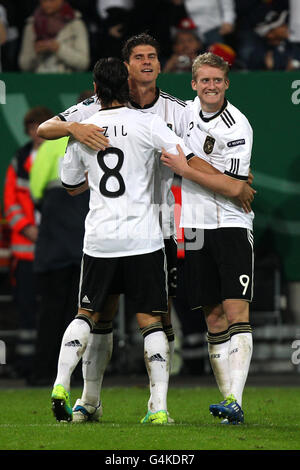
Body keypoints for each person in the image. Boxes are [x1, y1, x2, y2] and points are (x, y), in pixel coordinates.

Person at [38, 32, 189, 424]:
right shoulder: (148, 123)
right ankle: (157, 408)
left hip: (101, 238)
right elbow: (181, 158)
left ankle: (61, 382)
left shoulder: (85, 128)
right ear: (125, 80)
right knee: (152, 319)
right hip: (145, 235)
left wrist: (77, 135)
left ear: (94, 89)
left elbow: (71, 186)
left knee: (87, 313)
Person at [161, 52, 255, 425]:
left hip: (231, 225)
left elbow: (234, 189)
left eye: (218, 80)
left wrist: (186, 166)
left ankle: (236, 398)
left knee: (236, 313)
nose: (211, 86)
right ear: (194, 83)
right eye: (205, 80)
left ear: (227, 83)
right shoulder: (182, 113)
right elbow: (229, 182)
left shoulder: (238, 125)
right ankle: (227, 403)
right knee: (212, 318)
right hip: (195, 227)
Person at [29, 93, 92, 386]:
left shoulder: (49, 144)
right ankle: (77, 373)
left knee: (50, 310)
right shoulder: (105, 138)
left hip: (55, 237)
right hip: (86, 236)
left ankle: (43, 370)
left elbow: (36, 189)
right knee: (82, 310)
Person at [3, 106, 54, 379]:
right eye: (33, 126)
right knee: (26, 311)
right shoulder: (20, 158)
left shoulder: (60, 154)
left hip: (54, 248)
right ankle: (25, 364)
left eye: (42, 125)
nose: (37, 131)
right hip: (25, 252)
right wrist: (27, 229)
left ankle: (48, 363)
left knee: (51, 308)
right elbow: (10, 203)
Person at [18, 0, 90, 73]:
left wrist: (59, 49)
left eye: (52, 0)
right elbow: (24, 65)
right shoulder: (31, 25)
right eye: (44, 1)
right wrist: (35, 53)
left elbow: (83, 63)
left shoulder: (75, 24)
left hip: (68, 79)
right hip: (39, 80)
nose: (48, 4)